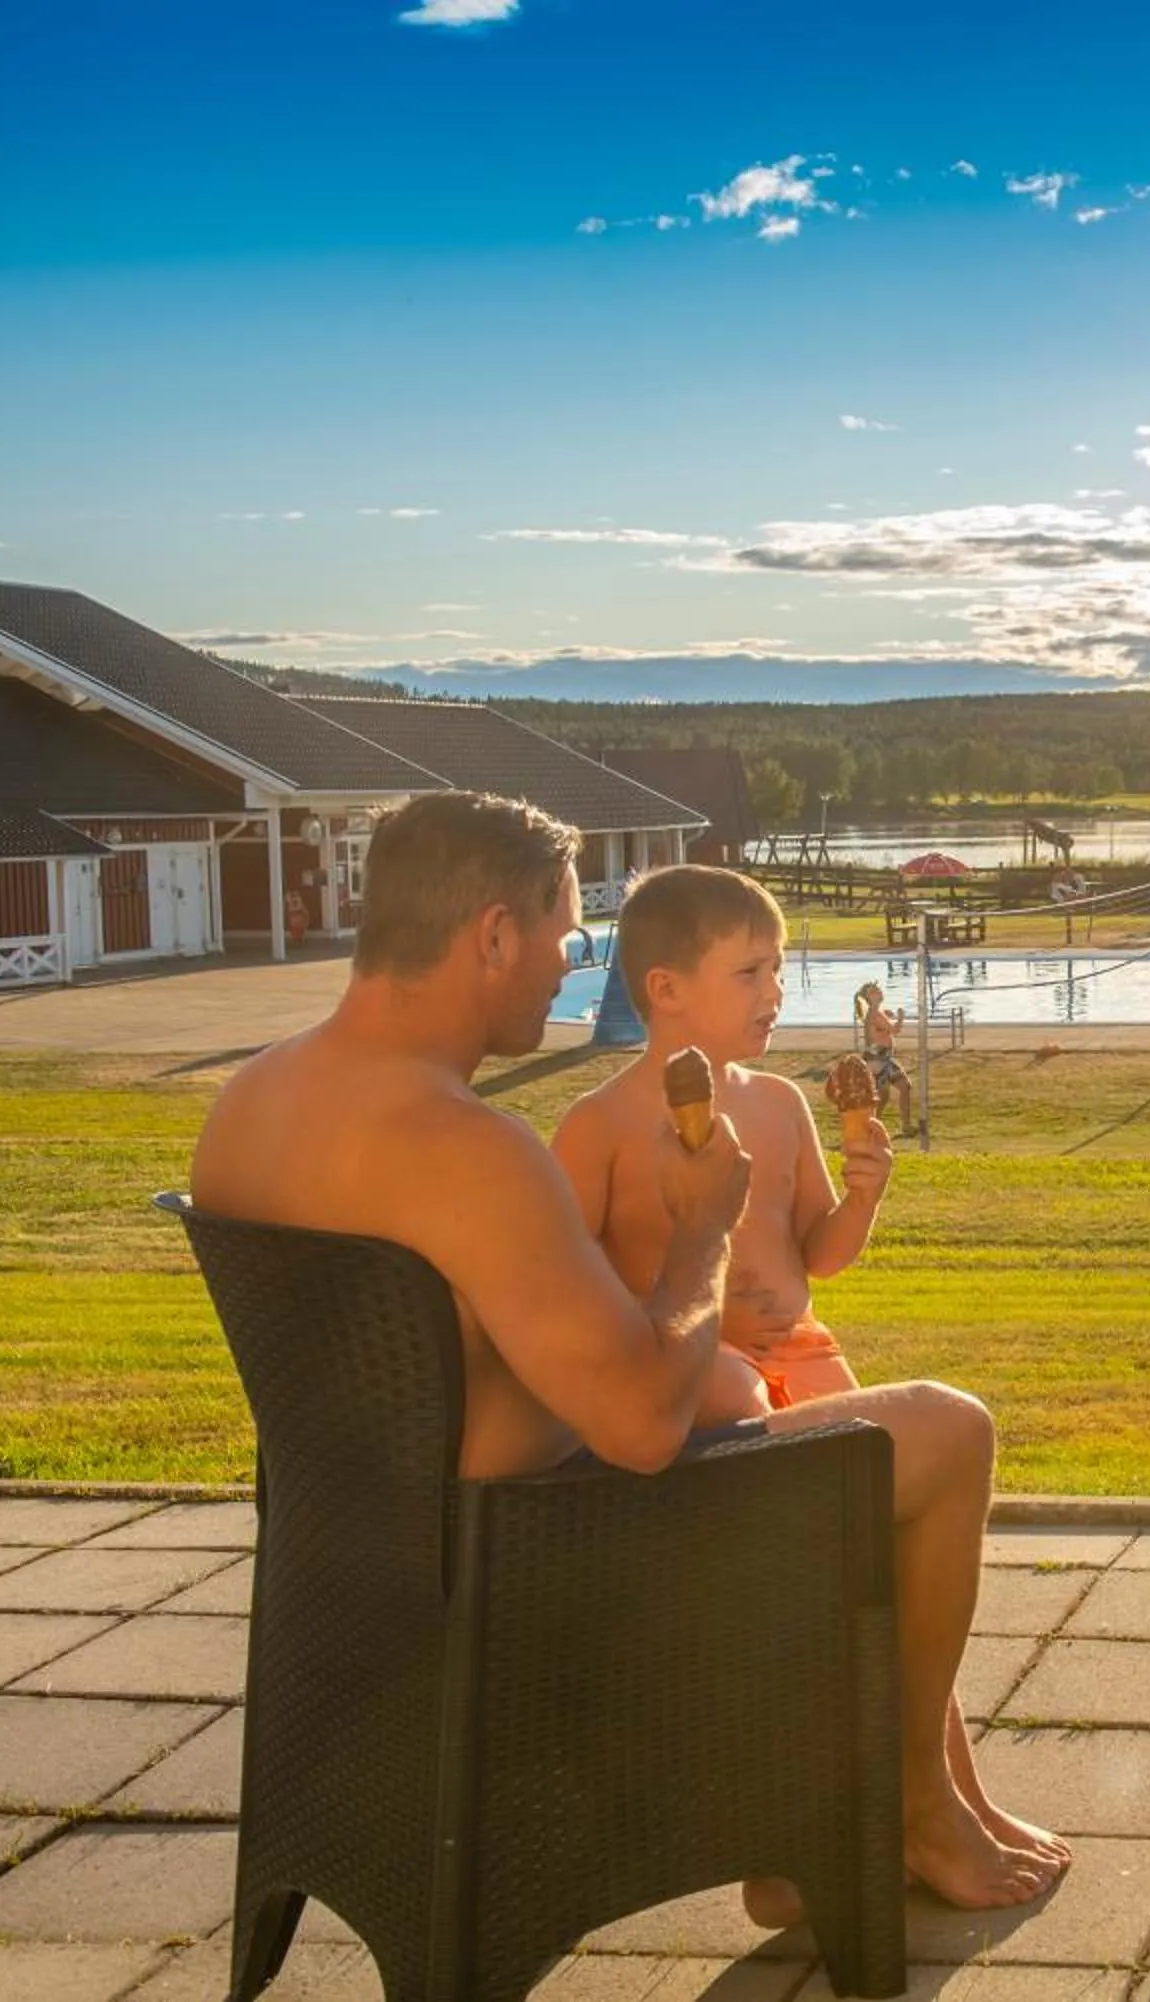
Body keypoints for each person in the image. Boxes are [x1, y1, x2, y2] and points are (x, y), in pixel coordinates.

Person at [189, 792, 1062, 1913]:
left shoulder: (253, 1102)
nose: (570, 961)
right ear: (494, 933)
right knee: (945, 1431)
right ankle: (902, 1799)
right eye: (562, 931)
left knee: (761, 1400)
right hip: (544, 1558)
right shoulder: (465, 1147)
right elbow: (642, 1429)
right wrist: (701, 1228)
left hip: (364, 1558)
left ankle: (822, 1826)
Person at [553, 866, 871, 1422]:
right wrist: (706, 1320)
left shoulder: (781, 1104)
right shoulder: (600, 1122)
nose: (775, 990)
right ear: (667, 989)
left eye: (778, 968)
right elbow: (568, 1289)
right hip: (690, 1363)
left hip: (804, 1348)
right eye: (749, 972)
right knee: (746, 1408)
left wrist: (864, 1197)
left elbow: (821, 1256)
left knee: (874, 1460)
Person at [851, 980, 920, 1135]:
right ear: (871, 996)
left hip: (881, 1059)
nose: (881, 992)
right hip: (878, 1060)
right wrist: (901, 1018)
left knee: (889, 1093)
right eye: (877, 990)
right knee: (896, 1090)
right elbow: (894, 1030)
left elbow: (882, 1029)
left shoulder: (875, 1013)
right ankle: (886, 1126)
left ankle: (881, 1126)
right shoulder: (874, 1013)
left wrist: (887, 1018)